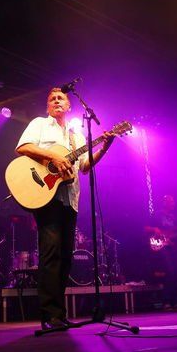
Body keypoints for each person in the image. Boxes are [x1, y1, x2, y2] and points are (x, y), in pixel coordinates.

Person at [15, 87, 115, 330]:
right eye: (52, 98)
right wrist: (53, 157)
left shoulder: (76, 135)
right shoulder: (39, 124)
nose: (57, 100)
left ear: (69, 106)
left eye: (61, 98)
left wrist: (105, 147)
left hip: (70, 200)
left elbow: (85, 166)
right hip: (46, 196)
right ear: (48, 106)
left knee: (65, 257)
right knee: (50, 254)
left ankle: (59, 314)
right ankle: (49, 315)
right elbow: (23, 147)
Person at [144, 194, 177, 310]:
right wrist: (155, 229)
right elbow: (145, 228)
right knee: (170, 271)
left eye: (173, 201)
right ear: (164, 203)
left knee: (176, 273)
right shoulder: (157, 215)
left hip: (174, 247)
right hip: (163, 246)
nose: (173, 203)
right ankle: (166, 301)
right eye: (170, 201)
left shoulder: (175, 217)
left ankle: (175, 301)